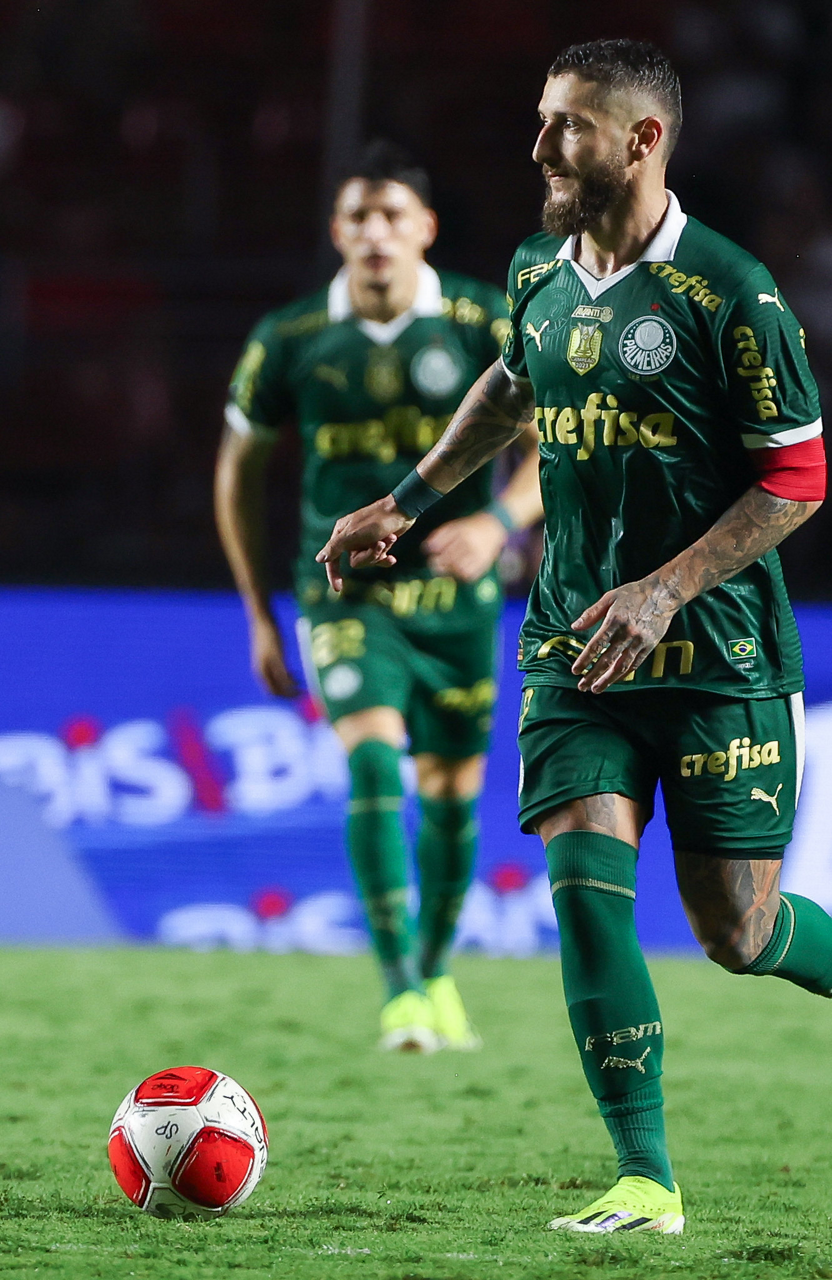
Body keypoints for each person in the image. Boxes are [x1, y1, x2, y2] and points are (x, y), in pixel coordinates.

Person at [315, 44, 832, 1233]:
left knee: (737, 932)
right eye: (541, 121)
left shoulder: (730, 290)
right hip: (573, 647)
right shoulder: (534, 270)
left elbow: (798, 478)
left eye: (565, 126)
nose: (540, 148)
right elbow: (511, 385)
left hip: (717, 655)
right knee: (585, 893)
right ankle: (644, 1175)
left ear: (641, 140)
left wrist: (664, 588)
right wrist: (408, 499)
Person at [216, 140, 542, 1054]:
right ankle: (399, 989)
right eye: (358, 216)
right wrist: (257, 613)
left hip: (455, 596)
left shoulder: (482, 320)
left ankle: (435, 974)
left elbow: (551, 446)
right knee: (370, 764)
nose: (374, 233)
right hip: (343, 594)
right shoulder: (289, 339)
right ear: (336, 231)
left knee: (450, 798)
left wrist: (499, 524)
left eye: (392, 215)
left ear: (424, 228)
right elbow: (237, 473)